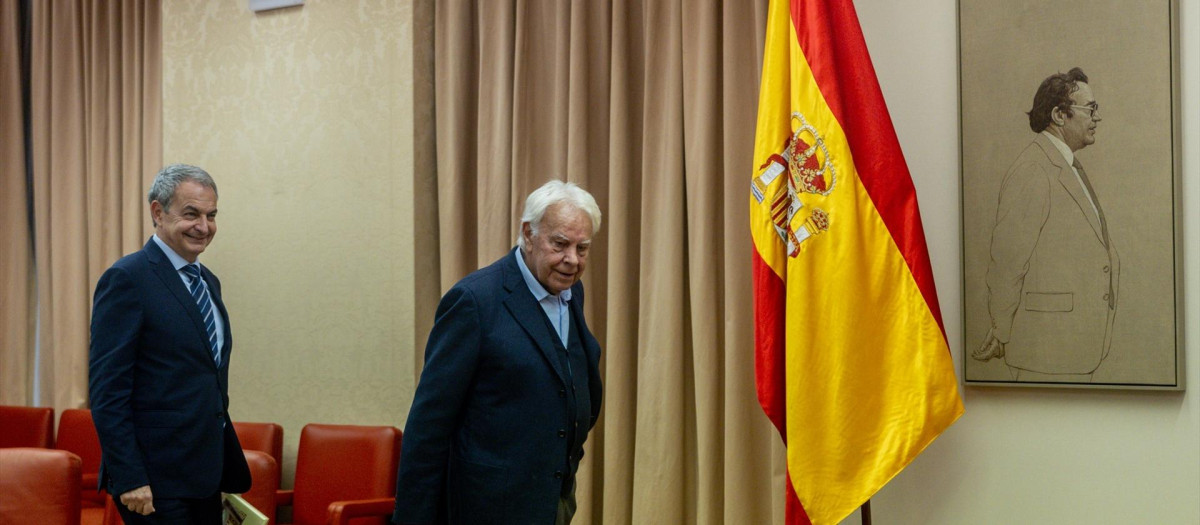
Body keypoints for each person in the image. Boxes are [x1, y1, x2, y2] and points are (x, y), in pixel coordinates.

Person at [393, 180, 604, 525]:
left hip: (552, 499)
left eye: (583, 249)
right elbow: (428, 426)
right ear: (528, 233)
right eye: (561, 244)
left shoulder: (570, 291)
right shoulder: (475, 301)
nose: (572, 260)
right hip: (486, 506)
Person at [89, 164, 250, 524]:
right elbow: (107, 392)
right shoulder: (127, 279)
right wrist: (130, 476)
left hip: (206, 475)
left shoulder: (208, 282)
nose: (203, 226)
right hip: (153, 480)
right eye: (191, 214)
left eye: (211, 215)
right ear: (158, 212)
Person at [973, 67, 1120, 382]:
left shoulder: (1063, 165)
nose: (1097, 118)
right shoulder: (1034, 169)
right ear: (1059, 115)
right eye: (1090, 109)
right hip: (1047, 352)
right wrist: (1001, 328)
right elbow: (1007, 261)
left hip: (1070, 349)